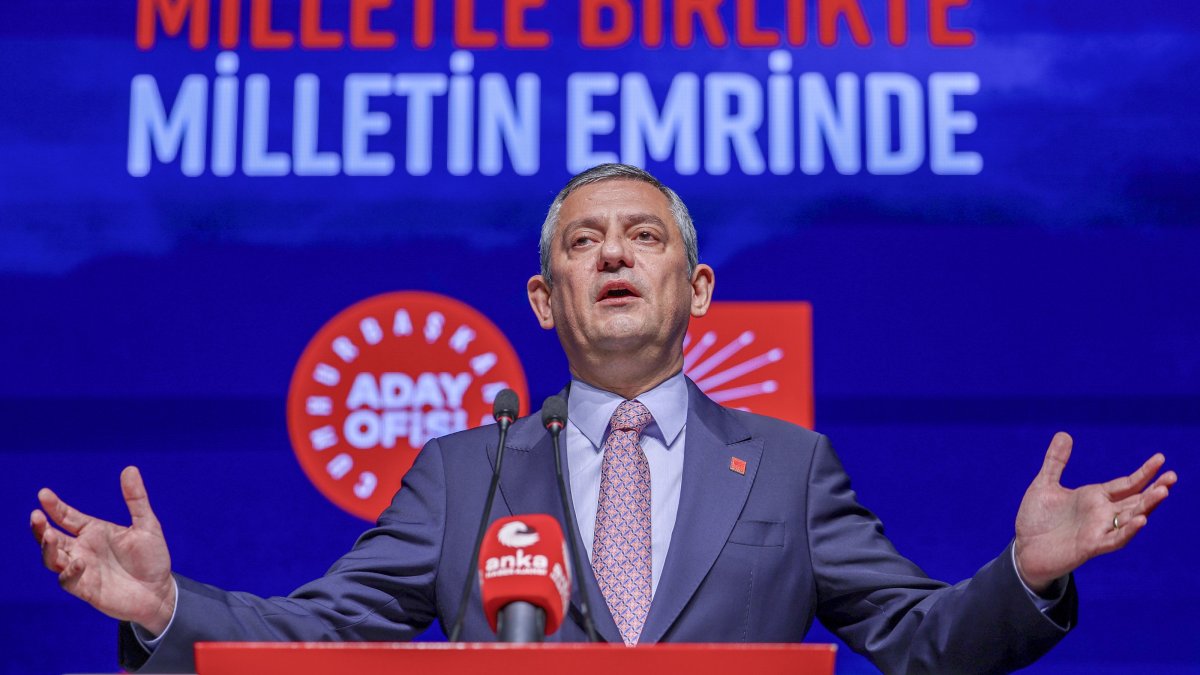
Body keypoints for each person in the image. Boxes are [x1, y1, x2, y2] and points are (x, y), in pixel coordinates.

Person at [31, 164, 1176, 673]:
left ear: (697, 287)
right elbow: (321, 632)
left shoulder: (786, 465)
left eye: (645, 237)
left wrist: (1026, 576)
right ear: (544, 299)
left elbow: (925, 646)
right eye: (583, 242)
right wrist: (162, 611)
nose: (615, 253)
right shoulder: (461, 472)